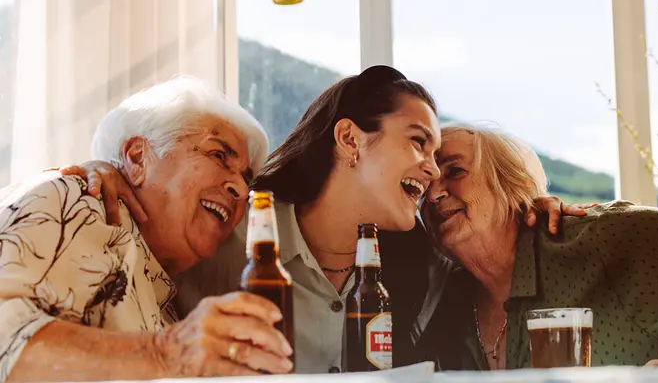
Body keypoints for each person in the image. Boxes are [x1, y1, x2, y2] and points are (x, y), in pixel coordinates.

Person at [59, 65, 587, 374]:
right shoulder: (235, 229)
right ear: (350, 140)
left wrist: (534, 208)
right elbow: (144, 231)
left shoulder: (425, 270)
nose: (430, 170)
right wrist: (101, 168)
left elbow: (497, 245)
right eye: (418, 143)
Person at [0, 77, 294, 381]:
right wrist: (165, 352)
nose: (241, 189)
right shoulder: (76, 199)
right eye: (218, 155)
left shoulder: (167, 301)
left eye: (246, 178)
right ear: (138, 158)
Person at [417, 124, 658, 370]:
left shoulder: (602, 234)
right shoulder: (444, 303)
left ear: (510, 183)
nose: (434, 193)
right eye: (425, 184)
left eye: (456, 171)